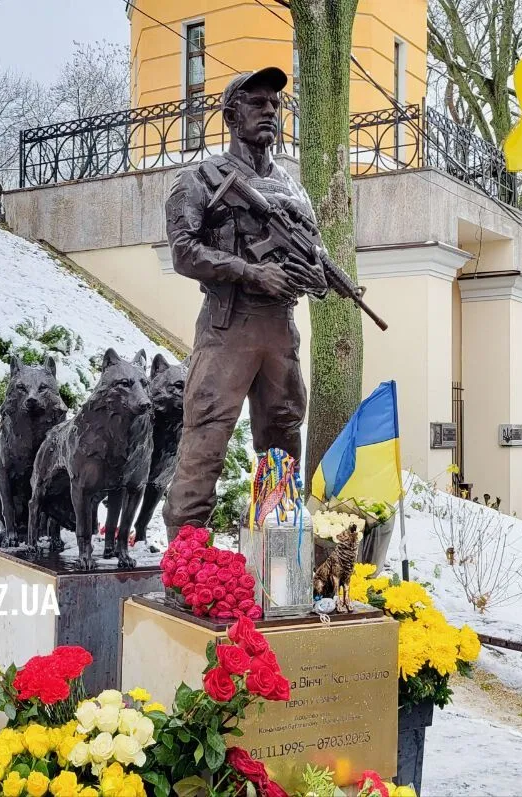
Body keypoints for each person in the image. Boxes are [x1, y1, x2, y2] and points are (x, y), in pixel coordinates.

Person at [160, 66, 329, 539]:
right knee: (206, 438)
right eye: (257, 103)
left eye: (275, 104)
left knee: (283, 437)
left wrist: (314, 274)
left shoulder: (295, 189)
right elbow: (183, 251)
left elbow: (317, 254)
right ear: (232, 115)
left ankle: (277, 552)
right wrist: (252, 272)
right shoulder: (198, 180)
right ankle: (187, 562)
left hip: (280, 331)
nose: (270, 111)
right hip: (227, 325)